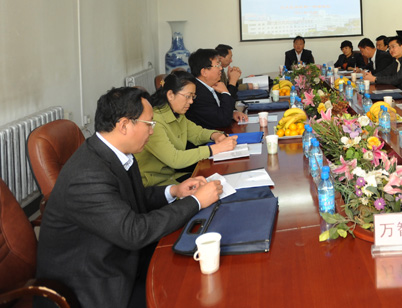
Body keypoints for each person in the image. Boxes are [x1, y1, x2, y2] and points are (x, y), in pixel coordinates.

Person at [36, 87, 222, 308]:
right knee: (189, 291)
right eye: (149, 124)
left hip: (122, 255)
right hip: (96, 283)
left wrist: (174, 191)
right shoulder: (87, 175)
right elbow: (134, 232)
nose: (152, 131)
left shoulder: (117, 152)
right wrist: (196, 201)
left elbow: (132, 198)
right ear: (124, 125)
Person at [136, 71, 238, 187]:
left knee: (221, 179)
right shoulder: (154, 121)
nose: (191, 101)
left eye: (193, 96)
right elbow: (175, 159)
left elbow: (197, 133)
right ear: (170, 95)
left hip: (172, 176)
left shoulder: (177, 113)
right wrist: (214, 149)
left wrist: (215, 135)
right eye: (188, 96)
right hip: (156, 186)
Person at [185, 48, 247, 129]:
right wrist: (225, 92)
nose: (221, 68)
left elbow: (221, 109)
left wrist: (233, 113)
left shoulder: (211, 85)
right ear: (204, 72)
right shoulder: (197, 93)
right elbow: (223, 121)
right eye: (217, 65)